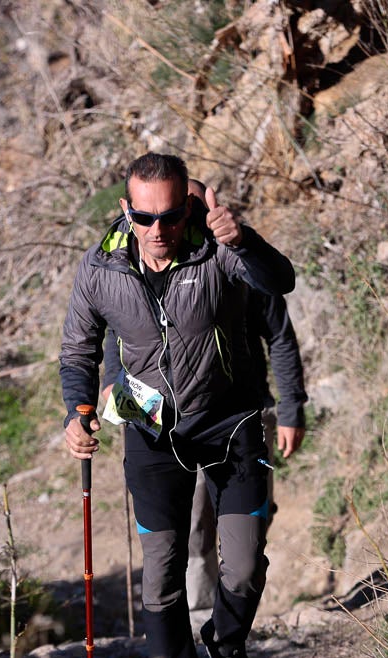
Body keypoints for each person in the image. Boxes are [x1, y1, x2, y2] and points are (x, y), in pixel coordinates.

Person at [60, 153, 296, 658]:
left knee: (242, 563)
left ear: (187, 207)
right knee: (160, 577)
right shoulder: (100, 269)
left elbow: (280, 284)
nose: (157, 229)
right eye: (144, 216)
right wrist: (78, 412)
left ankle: (227, 642)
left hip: (231, 420)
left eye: (170, 215)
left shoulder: (219, 251)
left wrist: (243, 242)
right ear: (126, 209)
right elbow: (78, 351)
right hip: (149, 431)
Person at [101, 179, 307, 621]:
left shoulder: (237, 260)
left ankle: (231, 613)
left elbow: (281, 337)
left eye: (186, 209)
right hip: (165, 420)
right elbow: (119, 337)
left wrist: (290, 408)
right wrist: (114, 386)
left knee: (248, 521)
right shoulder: (138, 267)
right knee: (189, 524)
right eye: (173, 210)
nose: (173, 223)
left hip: (240, 411)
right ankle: (196, 611)